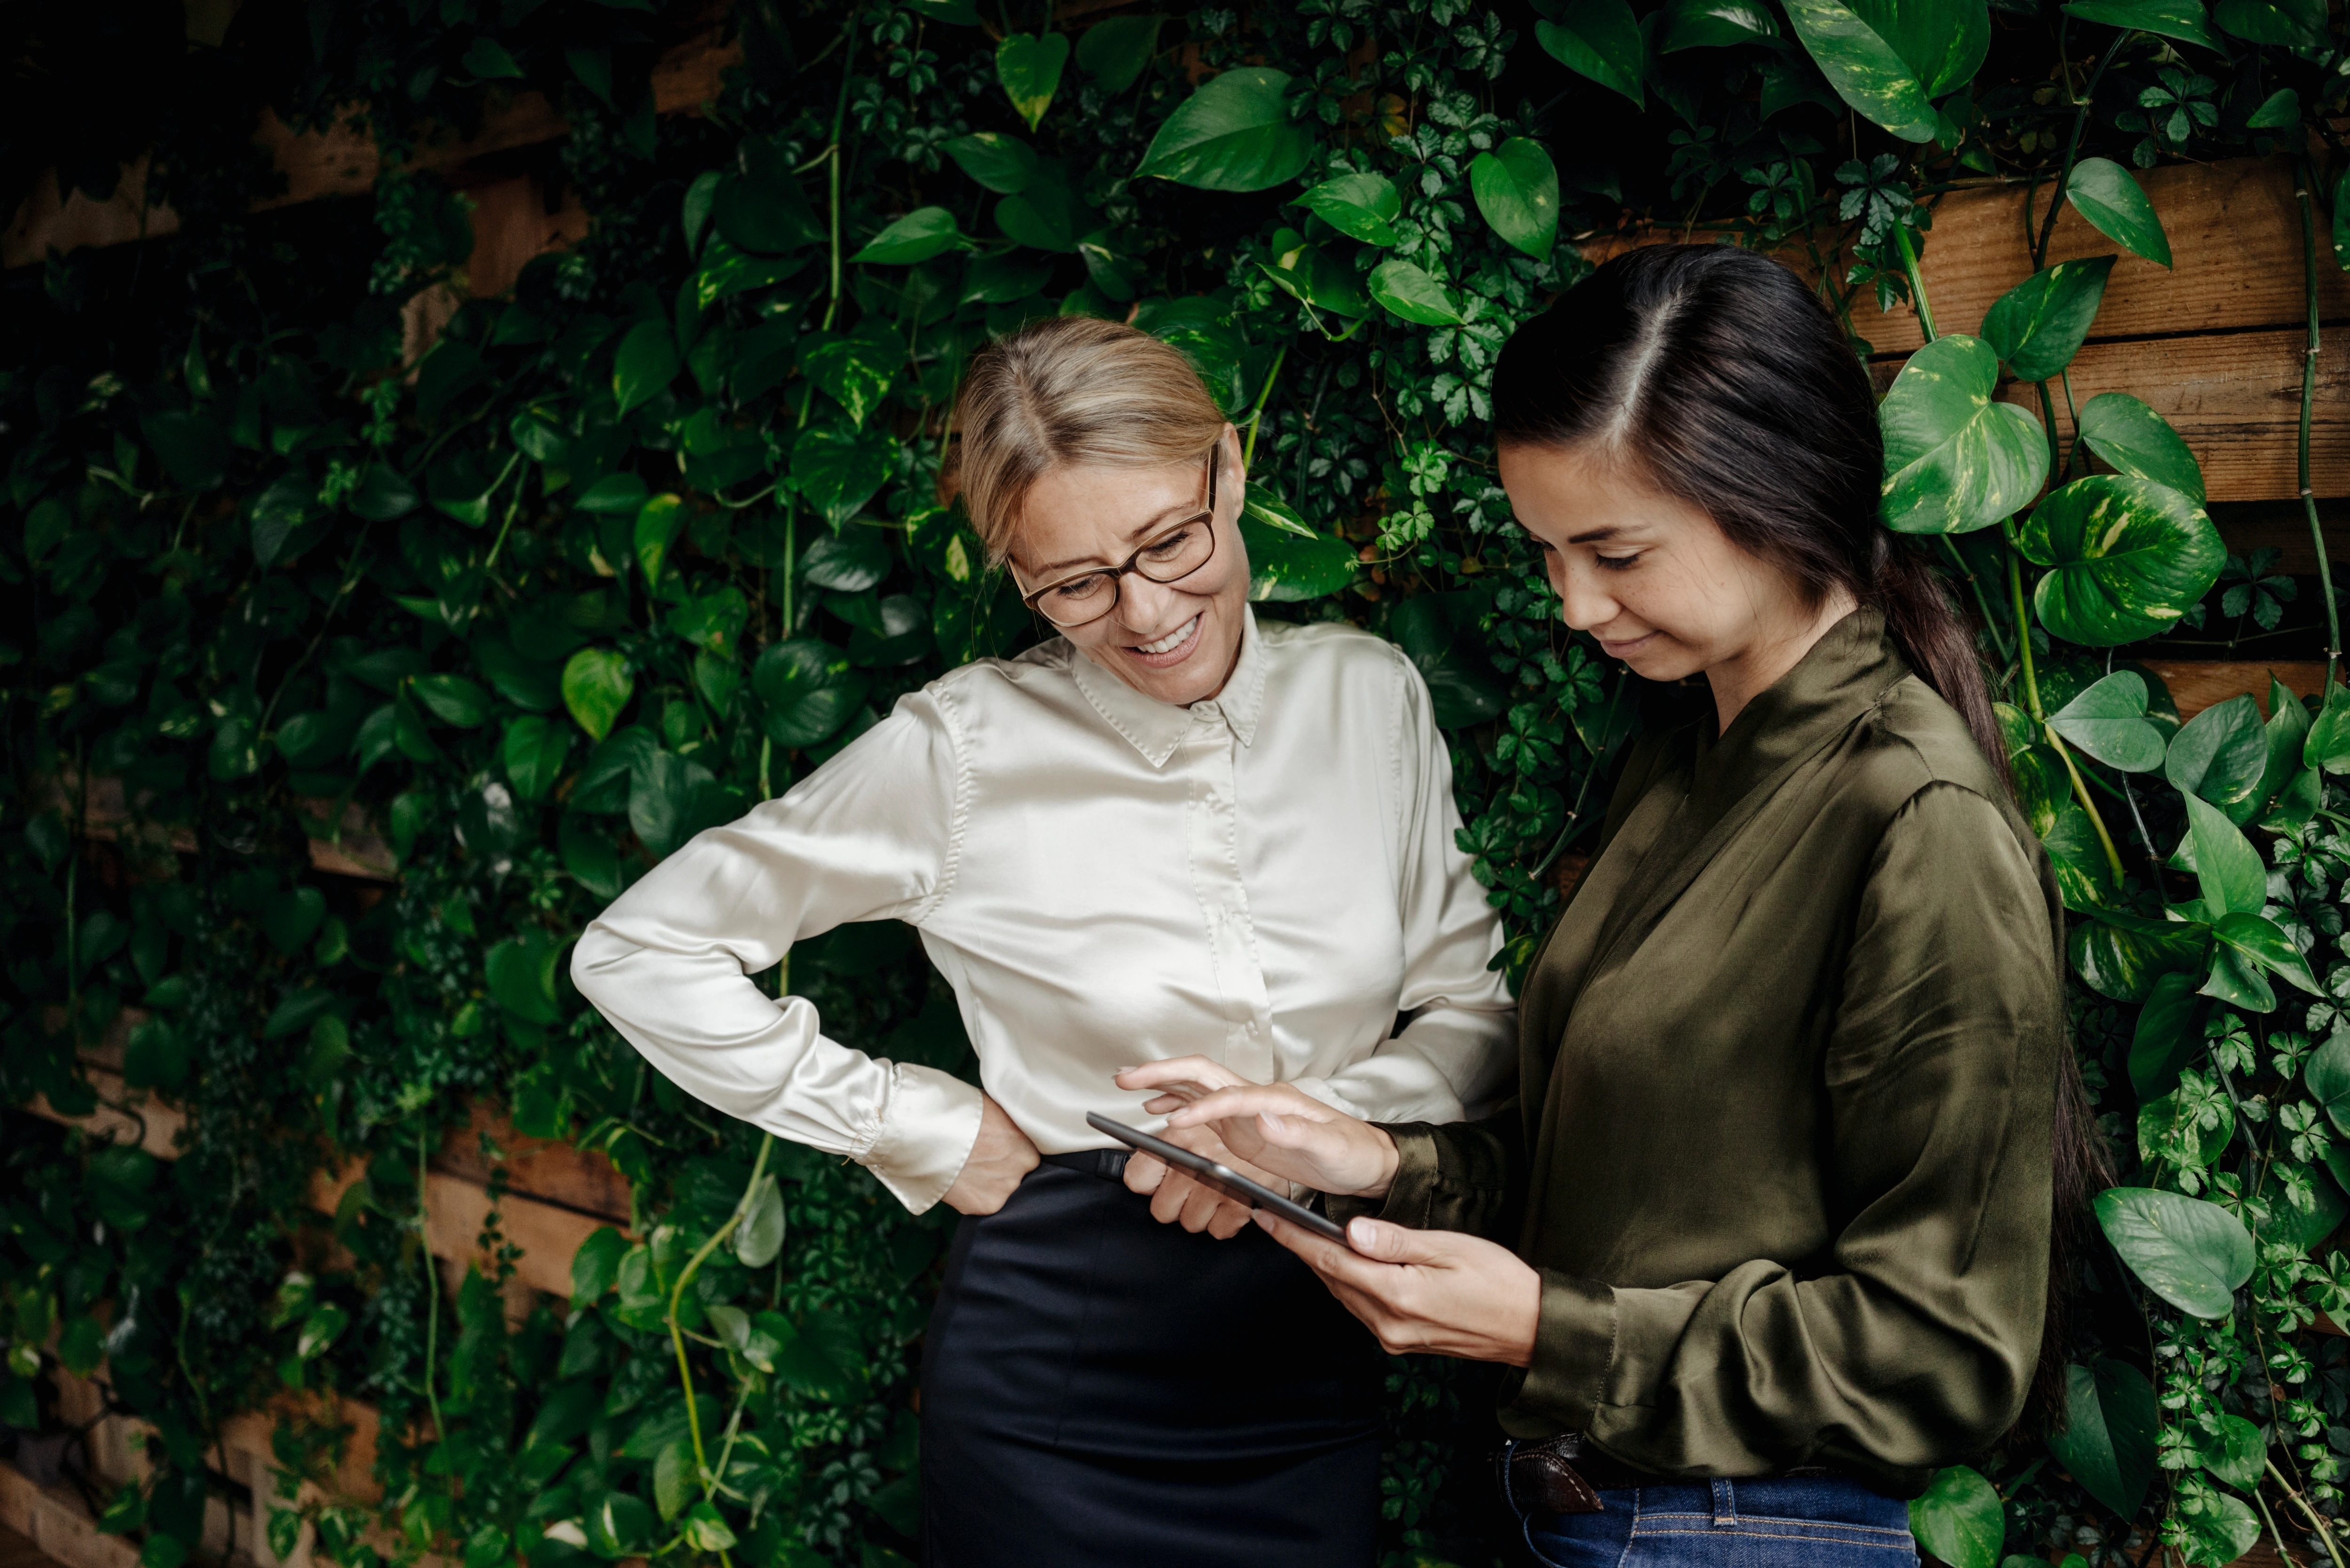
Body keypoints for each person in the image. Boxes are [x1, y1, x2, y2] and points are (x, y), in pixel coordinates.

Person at [1125, 244, 2104, 1568]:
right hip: (1591, 1521)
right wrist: (1368, 1161)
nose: (1575, 604)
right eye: (1549, 553)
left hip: (1746, 1532)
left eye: (1616, 551)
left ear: (1782, 494)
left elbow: (1947, 1352)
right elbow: (1625, 1209)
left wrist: (1550, 1333)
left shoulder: (1915, 819)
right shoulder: (1686, 754)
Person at [569, 315, 1515, 1567]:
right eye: (1073, 583)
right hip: (1057, 1367)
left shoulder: (1370, 693)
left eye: (1170, 541)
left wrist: (1321, 1125)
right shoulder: (960, 748)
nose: (1143, 612)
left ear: (1228, 472)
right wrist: (919, 1124)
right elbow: (638, 950)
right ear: (1017, 574)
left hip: (1305, 1362)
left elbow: (1477, 1014)